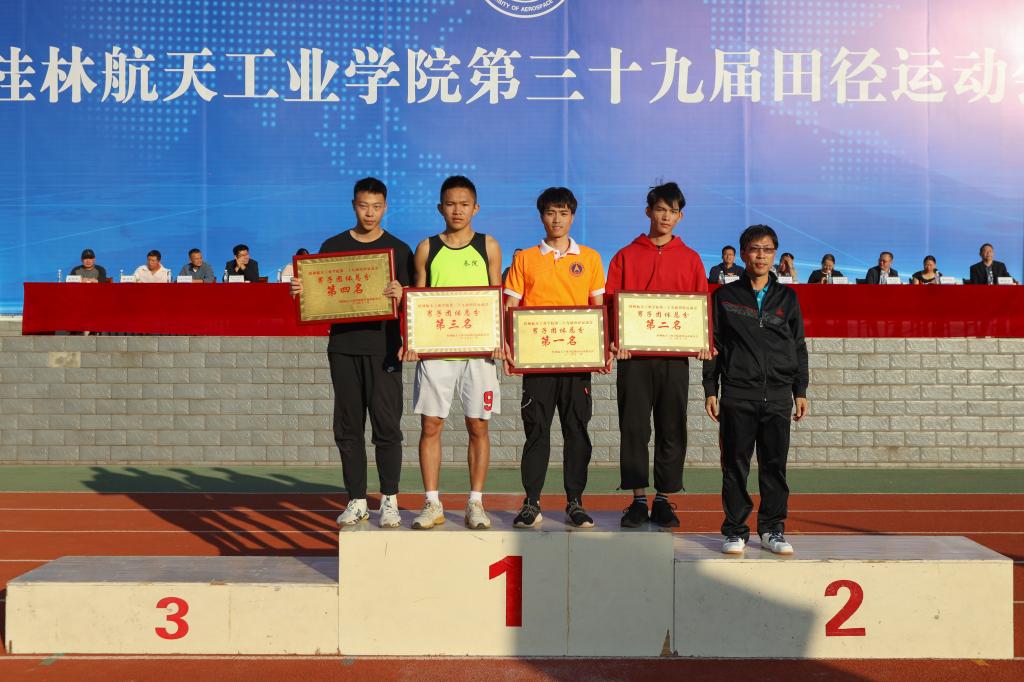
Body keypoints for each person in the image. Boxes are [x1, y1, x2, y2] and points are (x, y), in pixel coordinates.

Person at [290, 177, 413, 528]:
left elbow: (415, 303)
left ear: (385, 207)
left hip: (384, 350)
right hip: (343, 349)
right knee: (348, 428)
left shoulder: (399, 250)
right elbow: (319, 293)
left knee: (387, 427)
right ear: (353, 205)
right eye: (363, 206)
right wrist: (302, 290)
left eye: (376, 207)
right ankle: (356, 499)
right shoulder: (333, 246)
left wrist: (403, 294)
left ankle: (389, 500)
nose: (369, 213)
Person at [605, 182, 713, 529]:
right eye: (660, 209)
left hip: (674, 359)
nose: (666, 216)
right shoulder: (625, 256)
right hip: (633, 359)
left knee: (672, 426)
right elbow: (611, 304)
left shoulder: (691, 259)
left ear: (680, 217)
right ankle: (638, 499)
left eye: (673, 211)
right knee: (634, 427)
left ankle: (664, 498)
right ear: (648, 211)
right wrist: (614, 340)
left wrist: (703, 341)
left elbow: (701, 306)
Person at [504, 187, 608, 529]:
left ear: (572, 216)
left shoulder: (590, 258)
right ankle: (531, 502)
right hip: (538, 364)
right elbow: (511, 307)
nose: (557, 219)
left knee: (576, 431)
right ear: (541, 216)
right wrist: (508, 347)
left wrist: (602, 349)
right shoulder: (525, 259)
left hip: (577, 363)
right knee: (537, 431)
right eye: (551, 212)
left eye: (563, 213)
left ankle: (574, 502)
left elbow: (598, 310)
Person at [405, 176, 504, 531]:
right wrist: (413, 341)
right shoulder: (427, 248)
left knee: (478, 425)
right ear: (440, 208)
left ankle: (475, 502)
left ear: (475, 208)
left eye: (464, 204)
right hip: (437, 353)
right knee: (431, 424)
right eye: (450, 204)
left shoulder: (488, 245)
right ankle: (432, 502)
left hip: (479, 353)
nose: (457, 210)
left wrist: (499, 339)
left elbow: (496, 295)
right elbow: (417, 299)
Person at [703, 224, 809, 556]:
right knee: (735, 466)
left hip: (777, 394)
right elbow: (714, 346)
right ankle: (735, 530)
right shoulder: (724, 297)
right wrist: (711, 388)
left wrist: (800, 390)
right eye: (754, 249)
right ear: (743, 253)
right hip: (738, 393)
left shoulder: (787, 298)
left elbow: (798, 346)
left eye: (767, 249)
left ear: (774, 254)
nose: (760, 256)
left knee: (774, 466)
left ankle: (772, 529)